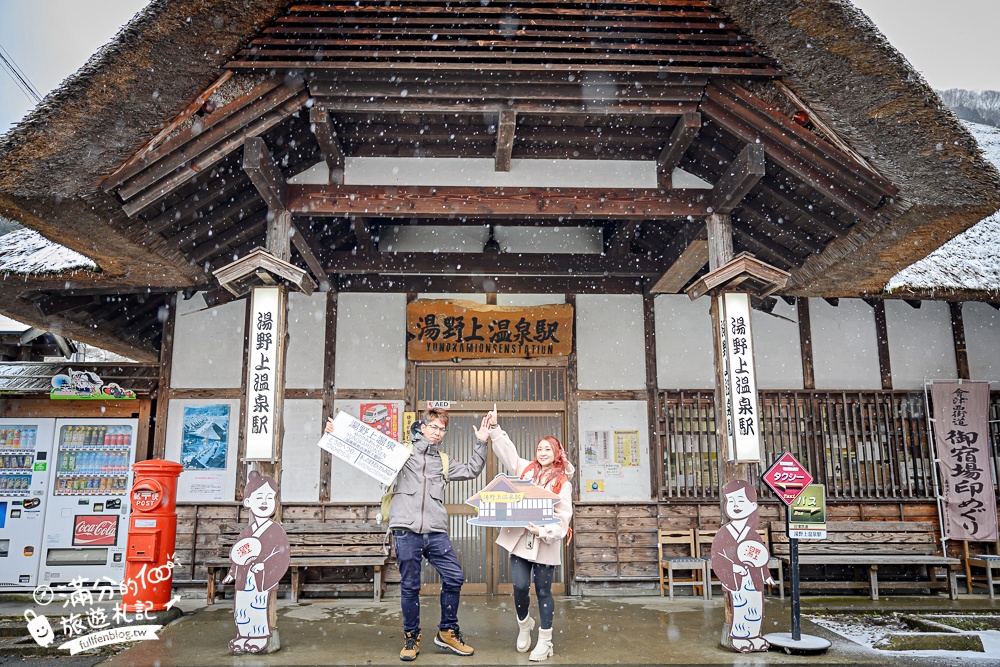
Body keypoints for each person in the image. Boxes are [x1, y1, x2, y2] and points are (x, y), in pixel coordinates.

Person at [329, 407, 486, 661]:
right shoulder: (402, 454)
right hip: (406, 531)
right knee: (410, 587)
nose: (437, 432)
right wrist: (337, 434)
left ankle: (447, 631)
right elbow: (367, 452)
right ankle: (411, 637)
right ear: (422, 428)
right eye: (433, 426)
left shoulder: (442, 461)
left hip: (435, 532)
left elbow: (472, 470)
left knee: (454, 577)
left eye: (442, 429)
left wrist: (482, 441)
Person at [477, 410, 573, 662]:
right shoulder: (526, 470)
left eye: (548, 450)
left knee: (543, 591)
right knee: (520, 587)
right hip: (520, 541)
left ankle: (545, 640)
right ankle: (524, 624)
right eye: (540, 448)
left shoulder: (563, 482)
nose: (542, 453)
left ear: (557, 454)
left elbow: (564, 518)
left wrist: (542, 530)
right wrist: (496, 429)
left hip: (544, 543)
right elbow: (508, 453)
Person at [222, 470, 290, 654]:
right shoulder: (247, 532)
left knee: (259, 606)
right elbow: (239, 554)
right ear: (248, 502)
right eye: (259, 497)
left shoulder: (276, 531)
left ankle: (259, 637)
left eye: (269, 497)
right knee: (242, 607)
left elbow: (281, 554)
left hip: (261, 578)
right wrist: (233, 572)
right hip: (245, 577)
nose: (264, 502)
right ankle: (244, 635)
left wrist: (265, 566)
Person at [710, 480, 775, 653]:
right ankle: (739, 637)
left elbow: (760, 557)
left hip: (753, 579)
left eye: (740, 500)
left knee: (755, 606)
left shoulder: (752, 534)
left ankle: (753, 635)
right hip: (737, 580)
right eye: (731, 501)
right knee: (739, 607)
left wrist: (765, 573)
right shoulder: (724, 533)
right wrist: (732, 568)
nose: (736, 505)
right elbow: (717, 557)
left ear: (753, 505)